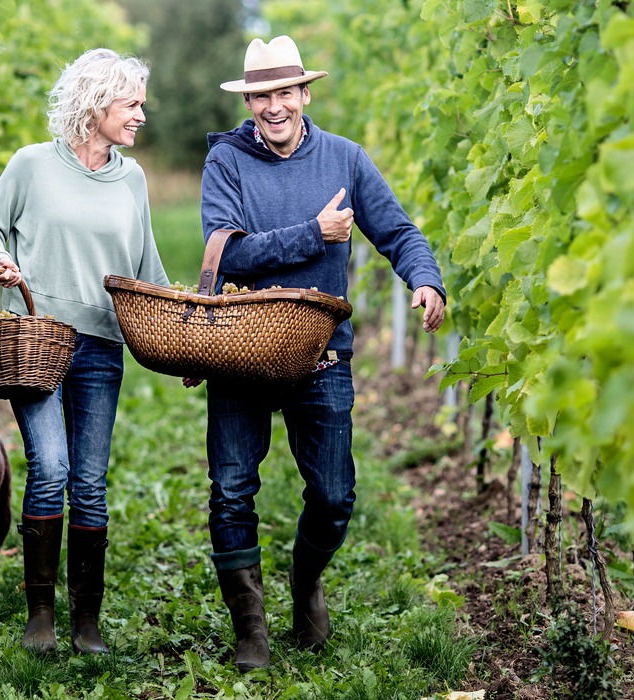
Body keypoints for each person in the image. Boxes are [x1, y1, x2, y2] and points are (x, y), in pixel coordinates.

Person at [196, 35, 447, 671]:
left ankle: (304, 582)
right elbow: (225, 254)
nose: (272, 106)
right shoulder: (226, 162)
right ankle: (250, 629)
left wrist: (425, 279)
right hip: (241, 351)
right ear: (249, 101)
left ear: (305, 94)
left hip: (321, 355)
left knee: (334, 495)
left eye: (284, 92)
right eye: (260, 95)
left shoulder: (345, 159)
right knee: (230, 491)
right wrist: (314, 233)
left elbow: (398, 230)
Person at [0, 48, 168, 655]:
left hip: (103, 347)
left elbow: (147, 270)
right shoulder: (32, 166)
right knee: (51, 469)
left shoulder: (131, 178)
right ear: (96, 103)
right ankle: (40, 615)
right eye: (131, 104)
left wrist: (185, 330)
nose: (140, 116)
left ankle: (86, 621)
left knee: (88, 481)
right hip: (37, 344)